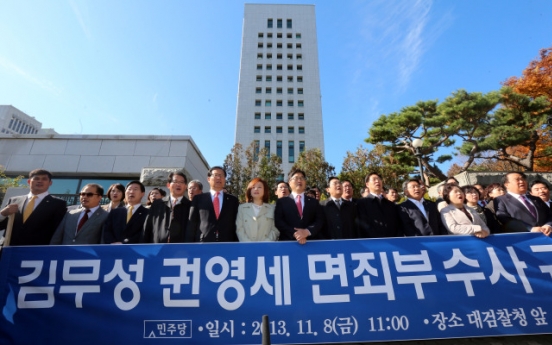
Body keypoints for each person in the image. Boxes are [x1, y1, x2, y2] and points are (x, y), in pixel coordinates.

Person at [0, 169, 66, 246]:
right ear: (29, 181)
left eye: (44, 179)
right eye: (36, 178)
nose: (40, 181)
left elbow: (57, 231)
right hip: (8, 248)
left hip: (35, 251)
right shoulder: (14, 200)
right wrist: (3, 213)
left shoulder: (58, 204)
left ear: (50, 183)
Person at [186, 166, 240, 242]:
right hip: (203, 243)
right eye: (215, 175)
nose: (218, 178)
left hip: (227, 243)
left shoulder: (233, 200)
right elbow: (191, 224)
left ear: (224, 179)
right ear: (208, 179)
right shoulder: (198, 199)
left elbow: (236, 224)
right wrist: (189, 245)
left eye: (221, 175)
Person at [274, 168, 324, 244]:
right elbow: (279, 222)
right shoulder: (281, 202)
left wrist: (307, 232)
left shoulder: (314, 202)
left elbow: (319, 220)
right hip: (288, 243)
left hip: (311, 243)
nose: (299, 180)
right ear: (289, 182)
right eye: (296, 178)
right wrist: (295, 234)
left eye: (302, 178)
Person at [143, 171, 191, 243]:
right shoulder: (157, 204)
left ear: (185, 186)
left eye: (181, 182)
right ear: (168, 185)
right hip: (158, 248)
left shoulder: (191, 206)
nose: (178, 184)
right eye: (175, 181)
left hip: (181, 250)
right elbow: (147, 228)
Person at [356, 172, 402, 238]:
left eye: (379, 179)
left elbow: (397, 224)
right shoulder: (361, 203)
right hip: (373, 243)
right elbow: (362, 226)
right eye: (374, 179)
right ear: (367, 184)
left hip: (393, 243)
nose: (377, 181)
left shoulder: (390, 204)